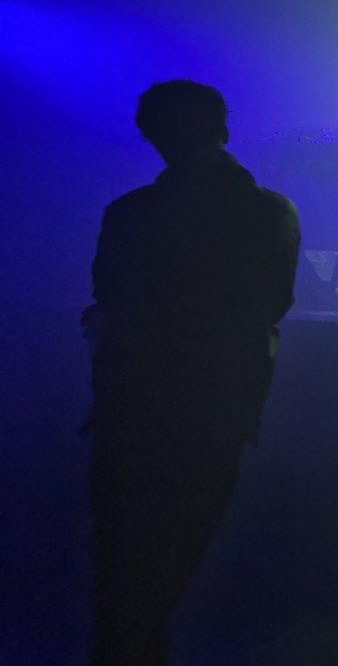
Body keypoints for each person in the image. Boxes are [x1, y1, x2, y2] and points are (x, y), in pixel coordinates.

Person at [82, 80, 301, 665]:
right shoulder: (270, 212)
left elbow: (110, 297)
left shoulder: (129, 213)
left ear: (151, 136)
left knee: (123, 567)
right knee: (177, 558)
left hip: (130, 405)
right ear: (223, 128)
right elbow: (273, 304)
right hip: (218, 406)